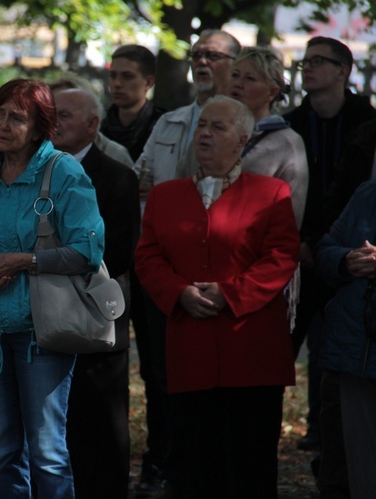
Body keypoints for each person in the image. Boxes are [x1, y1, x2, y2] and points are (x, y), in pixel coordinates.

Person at [0, 78, 105, 498]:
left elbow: (89, 249)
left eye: (17, 117)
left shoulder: (64, 171)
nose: (4, 124)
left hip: (41, 329)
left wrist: (24, 261)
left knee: (47, 451)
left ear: (39, 127)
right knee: (2, 450)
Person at [135, 95, 299, 498]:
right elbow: (148, 255)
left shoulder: (271, 192)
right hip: (190, 347)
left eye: (218, 127)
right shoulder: (165, 195)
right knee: (195, 463)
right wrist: (179, 293)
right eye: (202, 125)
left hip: (251, 350)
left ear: (241, 139)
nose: (205, 133)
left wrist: (231, 294)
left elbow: (282, 256)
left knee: (250, 464)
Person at [132, 29, 241, 493]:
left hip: (220, 277)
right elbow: (142, 180)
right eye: (196, 54)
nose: (201, 61)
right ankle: (164, 463)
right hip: (163, 268)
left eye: (212, 55)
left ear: (234, 65)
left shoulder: (247, 124)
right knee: (159, 374)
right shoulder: (172, 120)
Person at [284, 40, 376, 482]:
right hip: (299, 252)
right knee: (288, 346)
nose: (308, 69)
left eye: (318, 62)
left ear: (344, 70)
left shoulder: (367, 123)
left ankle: (327, 441)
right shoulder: (292, 125)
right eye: (304, 62)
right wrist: (301, 241)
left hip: (346, 254)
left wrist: (327, 246)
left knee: (333, 351)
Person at [51, 87, 140, 498]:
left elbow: (120, 250)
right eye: (51, 114)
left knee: (101, 421)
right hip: (37, 314)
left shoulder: (118, 176)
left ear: (92, 125)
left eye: (65, 115)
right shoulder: (30, 172)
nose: (54, 123)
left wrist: (50, 266)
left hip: (95, 314)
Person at [179, 46, 309, 228]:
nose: (238, 84)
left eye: (249, 78)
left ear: (272, 92)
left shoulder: (286, 143)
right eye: (235, 75)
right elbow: (182, 184)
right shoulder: (207, 130)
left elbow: (290, 218)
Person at [316, 179, 376, 499]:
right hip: (353, 355)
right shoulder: (367, 193)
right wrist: (346, 259)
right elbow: (325, 249)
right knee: (354, 475)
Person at [48, 75, 134, 168]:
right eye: (51, 112)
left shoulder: (115, 155)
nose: (53, 121)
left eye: (64, 115)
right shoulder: (36, 152)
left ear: (91, 123)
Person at [101, 44, 165, 161]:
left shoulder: (164, 126)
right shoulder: (98, 123)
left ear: (148, 82)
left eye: (127, 76)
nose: (117, 84)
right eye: (113, 76)